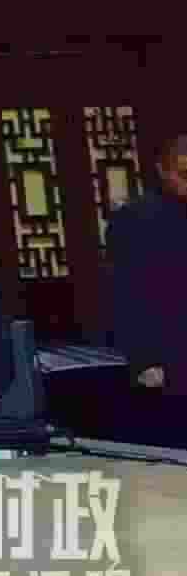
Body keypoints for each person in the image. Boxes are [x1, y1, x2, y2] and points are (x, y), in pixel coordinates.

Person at [107, 134, 187, 403]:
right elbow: (126, 293)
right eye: (184, 174)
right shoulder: (135, 218)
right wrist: (144, 359)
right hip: (168, 352)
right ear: (162, 170)